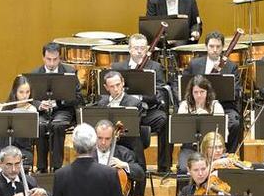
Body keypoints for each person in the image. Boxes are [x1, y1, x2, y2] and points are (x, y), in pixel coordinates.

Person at [110, 33, 172, 172]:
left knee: (164, 119)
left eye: (142, 48)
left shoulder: (155, 67)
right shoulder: (118, 67)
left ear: (147, 50)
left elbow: (160, 93)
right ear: (129, 49)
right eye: (136, 48)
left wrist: (141, 98)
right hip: (125, 112)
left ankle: (164, 166)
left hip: (147, 112)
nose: (139, 51)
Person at [184, 31, 243, 152]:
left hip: (223, 105)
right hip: (197, 104)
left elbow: (236, 91)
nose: (215, 50)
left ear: (223, 48)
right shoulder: (194, 64)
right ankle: (191, 152)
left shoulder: (231, 66)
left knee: (235, 122)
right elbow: (182, 84)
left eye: (218, 46)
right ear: (206, 47)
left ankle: (229, 154)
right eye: (211, 46)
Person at [31, 42, 83, 172]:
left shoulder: (70, 72)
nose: (52, 63)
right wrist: (39, 105)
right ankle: (41, 167)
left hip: (63, 109)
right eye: (49, 59)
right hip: (43, 111)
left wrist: (58, 103)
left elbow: (78, 97)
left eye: (55, 59)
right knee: (40, 126)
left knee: (58, 125)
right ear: (43, 58)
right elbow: (30, 97)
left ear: (60, 58)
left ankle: (57, 167)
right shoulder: (35, 73)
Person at [95, 71, 146, 171]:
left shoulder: (135, 103)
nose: (116, 89)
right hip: (107, 140)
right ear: (106, 87)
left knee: (138, 166)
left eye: (118, 85)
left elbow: (133, 127)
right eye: (112, 86)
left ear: (123, 83)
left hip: (128, 140)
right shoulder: (102, 103)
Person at [176, 75, 224, 173]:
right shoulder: (184, 106)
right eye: (196, 92)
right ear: (191, 93)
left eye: (202, 92)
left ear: (207, 92)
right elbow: (180, 133)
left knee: (219, 167)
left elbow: (222, 134)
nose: (199, 95)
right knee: (184, 169)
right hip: (189, 147)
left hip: (211, 148)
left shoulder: (216, 106)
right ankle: (185, 189)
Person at [0, 76, 39, 167]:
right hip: (2, 148)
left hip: (21, 148)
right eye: (21, 92)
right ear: (15, 92)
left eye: (27, 92)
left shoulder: (32, 110)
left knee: (24, 157)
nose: (25, 96)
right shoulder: (6, 107)